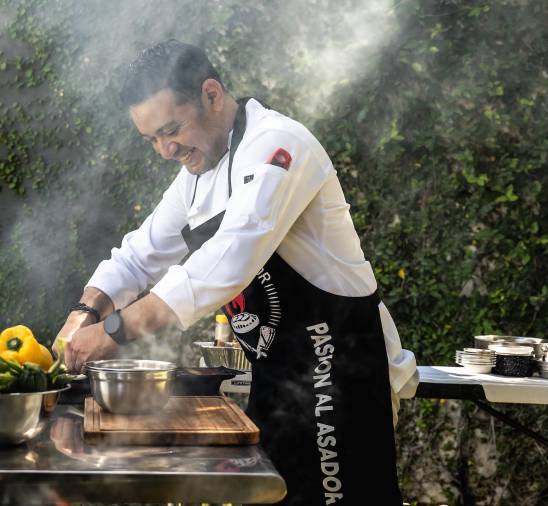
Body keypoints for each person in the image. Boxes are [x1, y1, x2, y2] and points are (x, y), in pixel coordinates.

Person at [51, 40, 416, 505]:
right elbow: (137, 256)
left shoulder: (277, 146)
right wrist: (84, 313)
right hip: (279, 378)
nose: (165, 150)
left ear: (211, 94)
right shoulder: (198, 177)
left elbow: (228, 260)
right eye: (152, 140)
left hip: (338, 374)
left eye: (171, 130)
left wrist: (115, 329)